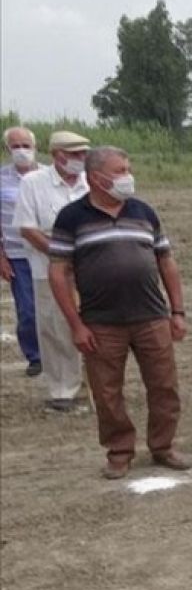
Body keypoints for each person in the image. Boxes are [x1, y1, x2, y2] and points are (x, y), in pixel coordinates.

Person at [47, 146, 189, 479]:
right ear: (96, 178)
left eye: (128, 168)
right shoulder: (71, 218)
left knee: (164, 385)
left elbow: (166, 261)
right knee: (107, 392)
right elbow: (58, 273)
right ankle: (119, 451)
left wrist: (177, 311)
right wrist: (76, 325)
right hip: (101, 323)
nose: (128, 176)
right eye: (120, 170)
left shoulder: (144, 212)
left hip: (152, 317)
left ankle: (163, 446)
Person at [14, 130, 90, 411]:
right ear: (58, 155)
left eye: (84, 154)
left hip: (91, 266)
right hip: (48, 268)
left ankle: (96, 382)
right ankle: (62, 390)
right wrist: (61, 255)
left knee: (95, 324)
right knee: (56, 327)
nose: (82, 159)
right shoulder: (34, 183)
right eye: (76, 154)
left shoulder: (89, 181)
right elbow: (27, 228)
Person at [1, 126, 42, 376]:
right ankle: (35, 356)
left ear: (35, 147)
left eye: (25, 145)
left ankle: (58, 353)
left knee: (56, 308)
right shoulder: (1, 179)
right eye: (15, 146)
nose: (21, 151)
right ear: (7, 149)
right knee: (27, 310)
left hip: (48, 253)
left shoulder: (48, 176)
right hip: (17, 255)